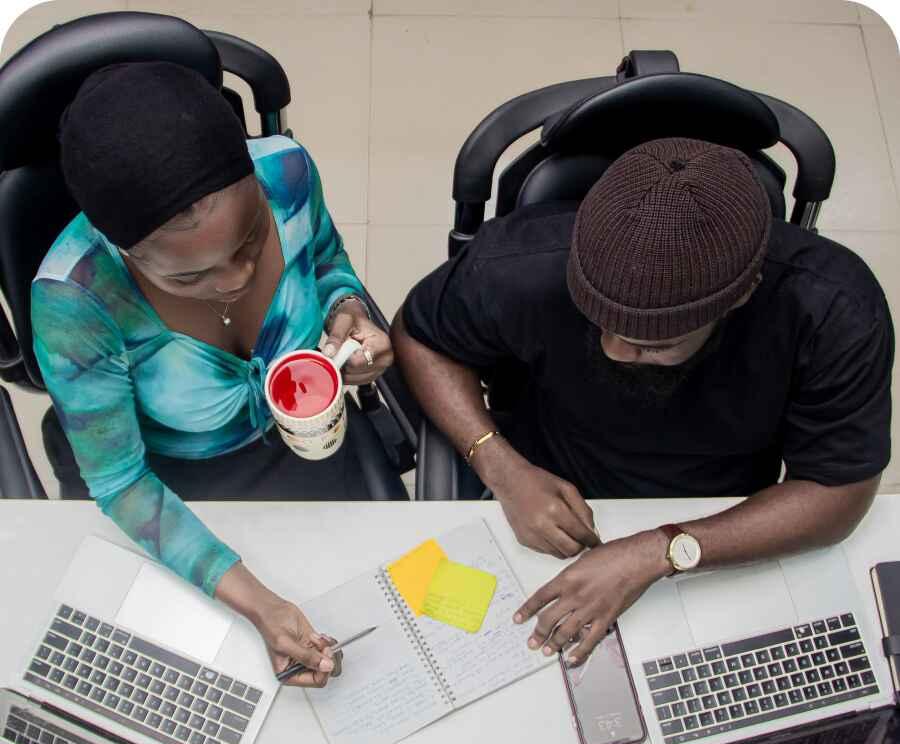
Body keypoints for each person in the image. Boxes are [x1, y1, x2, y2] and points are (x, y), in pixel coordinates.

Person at [392, 137, 894, 666]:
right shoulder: (521, 261)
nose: (615, 351)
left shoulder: (833, 309)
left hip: (722, 521)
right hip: (541, 494)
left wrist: (663, 551)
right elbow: (420, 336)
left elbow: (840, 492)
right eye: (598, 322)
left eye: (654, 343)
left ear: (742, 295)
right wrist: (498, 465)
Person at [32, 62, 393, 687]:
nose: (235, 281)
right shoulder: (76, 297)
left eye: (251, 240)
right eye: (185, 278)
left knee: (386, 625)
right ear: (122, 251)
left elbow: (328, 260)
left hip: (311, 443)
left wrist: (347, 310)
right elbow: (121, 485)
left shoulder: (288, 171)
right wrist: (259, 604)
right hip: (177, 492)